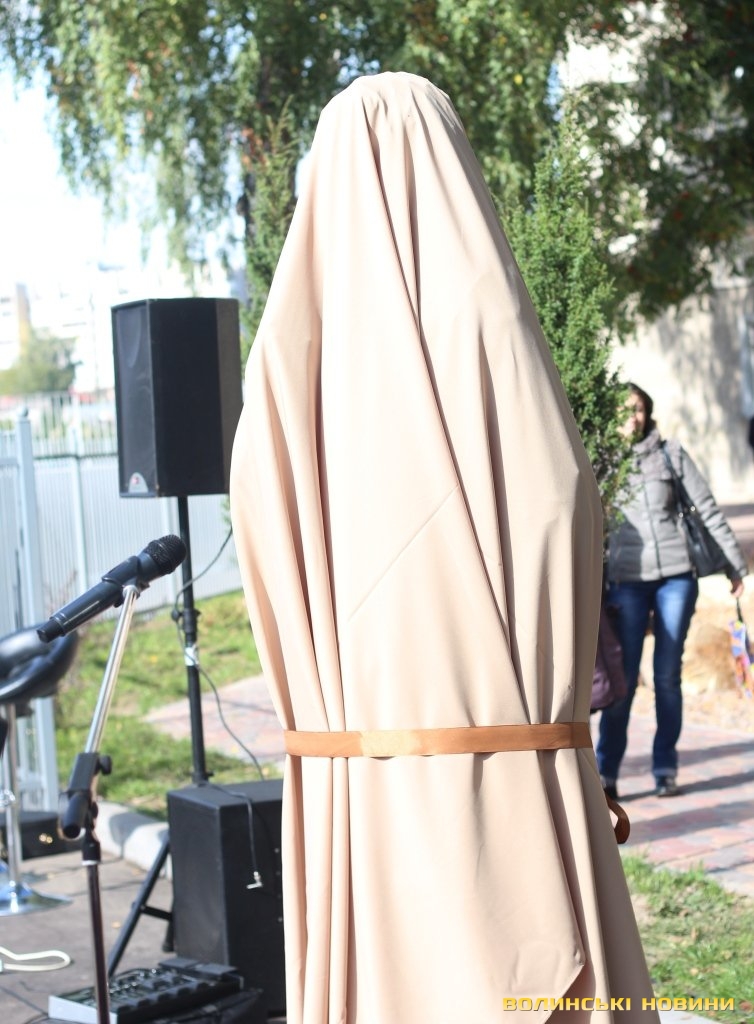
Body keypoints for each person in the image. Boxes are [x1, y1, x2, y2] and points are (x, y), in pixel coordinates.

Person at [230, 73, 658, 1022]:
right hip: (513, 777)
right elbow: (558, 502)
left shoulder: (285, 368)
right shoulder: (488, 321)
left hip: (357, 805)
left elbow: (260, 521)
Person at [597, 383, 747, 800]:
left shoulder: (671, 453)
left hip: (677, 578)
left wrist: (734, 564)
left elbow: (707, 508)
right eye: (625, 410)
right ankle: (606, 772)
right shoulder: (602, 460)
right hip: (626, 581)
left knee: (666, 674)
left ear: (648, 413)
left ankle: (665, 767)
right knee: (624, 678)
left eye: (638, 409)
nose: (632, 417)